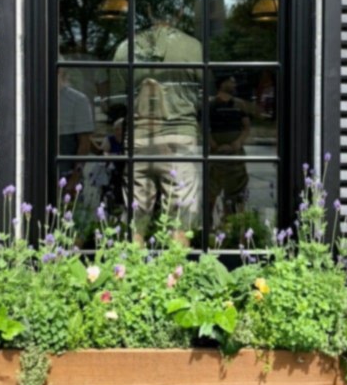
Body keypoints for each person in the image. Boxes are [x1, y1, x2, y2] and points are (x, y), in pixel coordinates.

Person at [110, 17, 202, 244]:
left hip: (139, 139)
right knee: (180, 218)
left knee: (136, 218)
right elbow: (204, 91)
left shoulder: (124, 48)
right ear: (179, 14)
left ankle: (131, 275)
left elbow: (114, 100)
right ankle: (176, 276)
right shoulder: (193, 46)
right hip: (179, 137)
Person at [209, 73, 250, 222]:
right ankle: (209, 227)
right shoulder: (211, 104)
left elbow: (246, 127)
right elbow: (203, 127)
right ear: (222, 84)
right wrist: (212, 143)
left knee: (236, 192)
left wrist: (238, 142)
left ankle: (231, 225)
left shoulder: (239, 104)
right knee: (211, 190)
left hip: (235, 155)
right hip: (216, 155)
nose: (234, 85)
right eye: (231, 82)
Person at [58, 67, 94, 194]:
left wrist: (74, 178)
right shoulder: (37, 95)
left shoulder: (78, 100)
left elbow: (85, 143)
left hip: (67, 166)